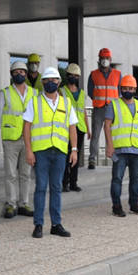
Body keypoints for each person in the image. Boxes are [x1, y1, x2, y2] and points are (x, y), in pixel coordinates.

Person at [24, 67, 77, 238]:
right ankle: (38, 224)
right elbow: (27, 127)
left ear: (59, 82)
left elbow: (72, 128)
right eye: (47, 80)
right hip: (41, 151)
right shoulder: (34, 101)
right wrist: (29, 151)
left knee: (56, 188)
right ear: (42, 83)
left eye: (54, 80)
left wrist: (74, 150)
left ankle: (56, 224)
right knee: (40, 188)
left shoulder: (66, 103)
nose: (51, 83)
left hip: (60, 151)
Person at [0, 61, 36, 218]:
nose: (20, 74)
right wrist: (9, 127)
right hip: (11, 139)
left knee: (26, 173)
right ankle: (11, 204)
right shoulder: (5, 92)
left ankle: (24, 203)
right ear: (12, 74)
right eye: (16, 72)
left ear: (26, 74)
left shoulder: (33, 93)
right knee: (10, 173)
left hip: (28, 139)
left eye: (22, 72)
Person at [104, 75, 138, 217]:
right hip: (119, 149)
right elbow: (107, 125)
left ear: (135, 89)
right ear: (121, 89)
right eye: (125, 88)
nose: (128, 90)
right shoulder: (114, 104)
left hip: (136, 148)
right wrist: (109, 146)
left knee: (136, 179)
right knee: (117, 179)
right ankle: (116, 206)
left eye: (130, 88)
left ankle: (134, 205)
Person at [87, 48, 121, 169]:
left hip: (112, 108)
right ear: (99, 59)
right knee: (95, 134)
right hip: (99, 108)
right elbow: (90, 91)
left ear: (110, 60)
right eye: (103, 58)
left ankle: (113, 157)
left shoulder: (117, 74)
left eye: (107, 58)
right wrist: (99, 99)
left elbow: (120, 92)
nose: (105, 61)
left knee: (113, 133)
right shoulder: (93, 74)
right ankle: (92, 159)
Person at [61, 63, 88, 193]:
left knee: (76, 156)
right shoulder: (62, 91)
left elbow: (83, 112)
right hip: (67, 127)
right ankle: (64, 183)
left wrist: (88, 129)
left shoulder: (82, 93)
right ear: (67, 76)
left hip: (80, 128)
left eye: (76, 76)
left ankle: (73, 182)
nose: (73, 77)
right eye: (71, 75)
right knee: (66, 156)